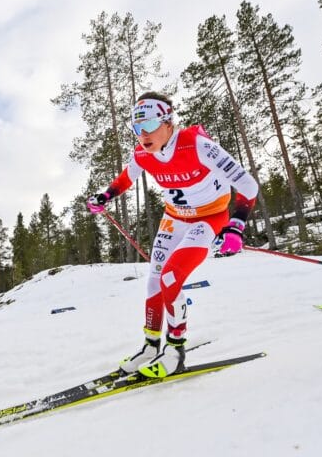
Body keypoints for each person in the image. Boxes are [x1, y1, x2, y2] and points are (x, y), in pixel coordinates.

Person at [86, 92, 258, 378]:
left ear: (168, 122)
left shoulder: (198, 146)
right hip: (174, 218)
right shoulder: (143, 152)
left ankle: (176, 351)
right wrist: (106, 195)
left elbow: (248, 186)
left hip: (208, 218)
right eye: (136, 127)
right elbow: (127, 176)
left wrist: (236, 225)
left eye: (150, 124)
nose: (143, 134)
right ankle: (151, 346)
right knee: (154, 279)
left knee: (171, 277)